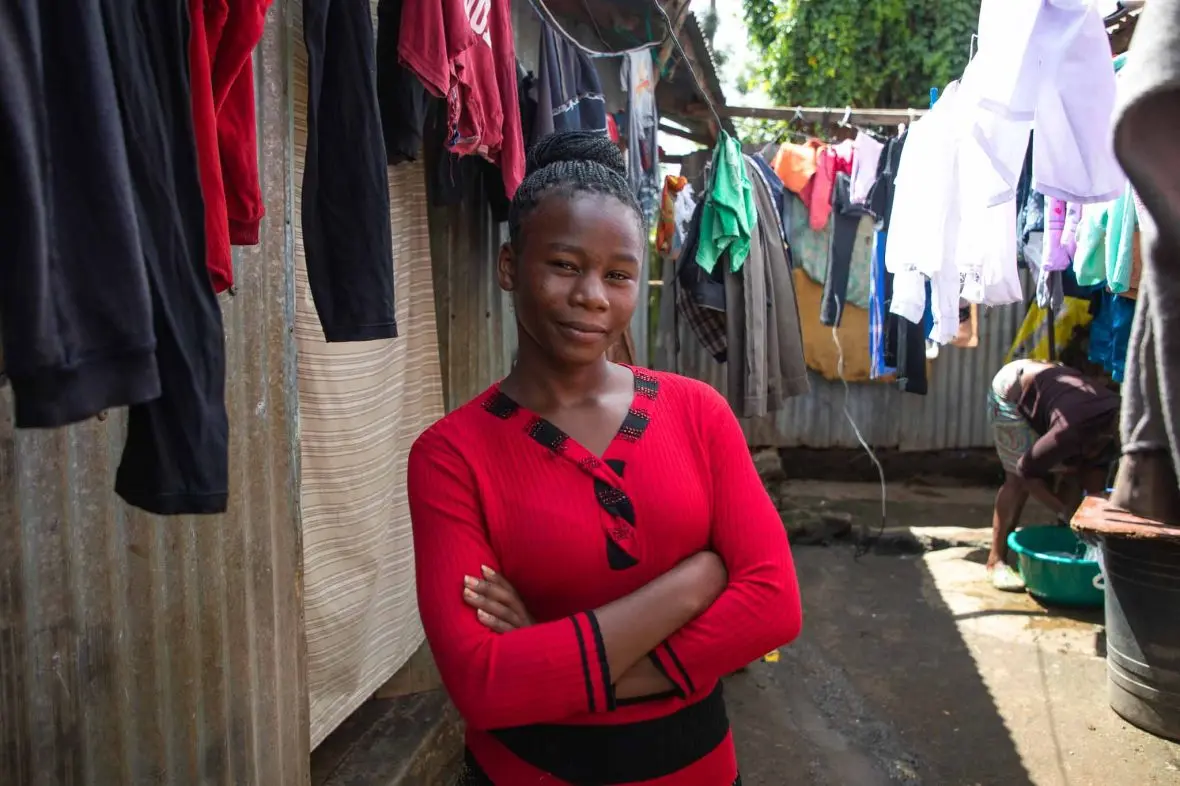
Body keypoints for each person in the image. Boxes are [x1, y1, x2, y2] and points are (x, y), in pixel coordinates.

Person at [407, 131, 803, 784]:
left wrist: (552, 655)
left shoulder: (697, 414)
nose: (593, 295)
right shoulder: (451, 456)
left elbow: (774, 606)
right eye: (564, 265)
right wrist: (693, 585)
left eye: (618, 274)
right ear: (510, 267)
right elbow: (482, 684)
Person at [986, 359, 1120, 590]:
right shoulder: (1071, 430)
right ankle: (995, 561)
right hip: (1013, 388)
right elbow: (1025, 470)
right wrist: (1064, 510)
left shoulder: (1119, 428)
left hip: (1058, 391)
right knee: (1016, 481)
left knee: (1077, 472)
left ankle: (1067, 539)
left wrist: (1091, 516)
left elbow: (1094, 482)